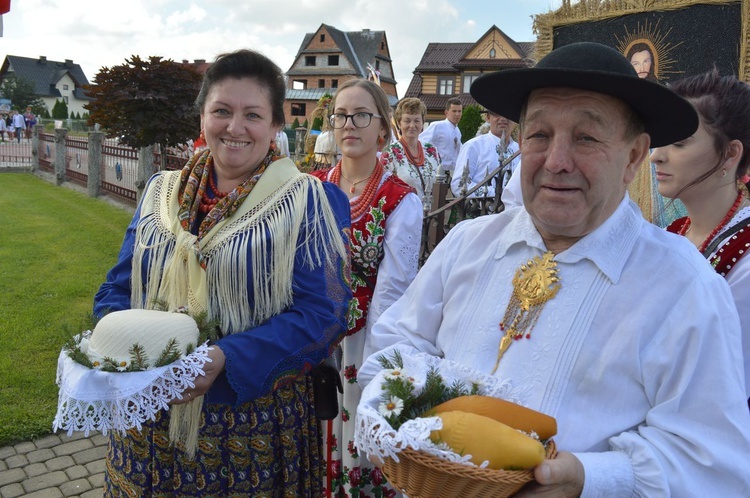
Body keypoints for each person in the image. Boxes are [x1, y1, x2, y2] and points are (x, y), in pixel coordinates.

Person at [357, 42, 750, 496]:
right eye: (539, 135)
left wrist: (592, 478)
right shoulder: (468, 243)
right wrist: (403, 411)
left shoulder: (684, 285)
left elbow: (716, 465)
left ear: (634, 156)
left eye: (586, 138)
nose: (556, 161)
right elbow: (394, 341)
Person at [92, 48, 352, 496]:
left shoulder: (310, 202)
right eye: (222, 111)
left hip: (250, 431)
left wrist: (226, 358)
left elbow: (324, 314)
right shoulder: (161, 194)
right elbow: (120, 284)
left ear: (275, 125)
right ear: (203, 119)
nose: (235, 127)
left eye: (253, 114)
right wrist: (113, 341)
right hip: (146, 422)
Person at [311, 78, 422, 498]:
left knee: (354, 431)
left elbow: (392, 293)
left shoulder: (399, 199)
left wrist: (370, 368)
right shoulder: (312, 188)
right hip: (309, 335)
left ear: (382, 130)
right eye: (341, 115)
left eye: (361, 115)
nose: (348, 124)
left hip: (363, 341)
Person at [651, 68, 750, 401]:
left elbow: (725, 383)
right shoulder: (673, 233)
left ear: (730, 153)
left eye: (678, 143)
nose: (656, 155)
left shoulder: (744, 257)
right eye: (659, 140)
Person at [380, 97, 441, 211]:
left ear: (422, 123)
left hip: (432, 217)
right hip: (403, 215)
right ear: (399, 123)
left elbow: (440, 184)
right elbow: (384, 190)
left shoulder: (432, 151)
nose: (412, 125)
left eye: (416, 120)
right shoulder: (389, 153)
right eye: (407, 121)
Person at [451, 110, 520, 198]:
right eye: (497, 113)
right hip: (481, 210)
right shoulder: (474, 146)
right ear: (488, 117)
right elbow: (459, 185)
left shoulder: (520, 150)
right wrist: (497, 195)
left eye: (508, 114)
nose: (503, 118)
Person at [419, 97, 462, 176]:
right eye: (454, 111)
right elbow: (421, 142)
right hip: (438, 172)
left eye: (459, 111)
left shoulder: (457, 131)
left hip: (453, 173)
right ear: (446, 112)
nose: (457, 114)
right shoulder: (437, 126)